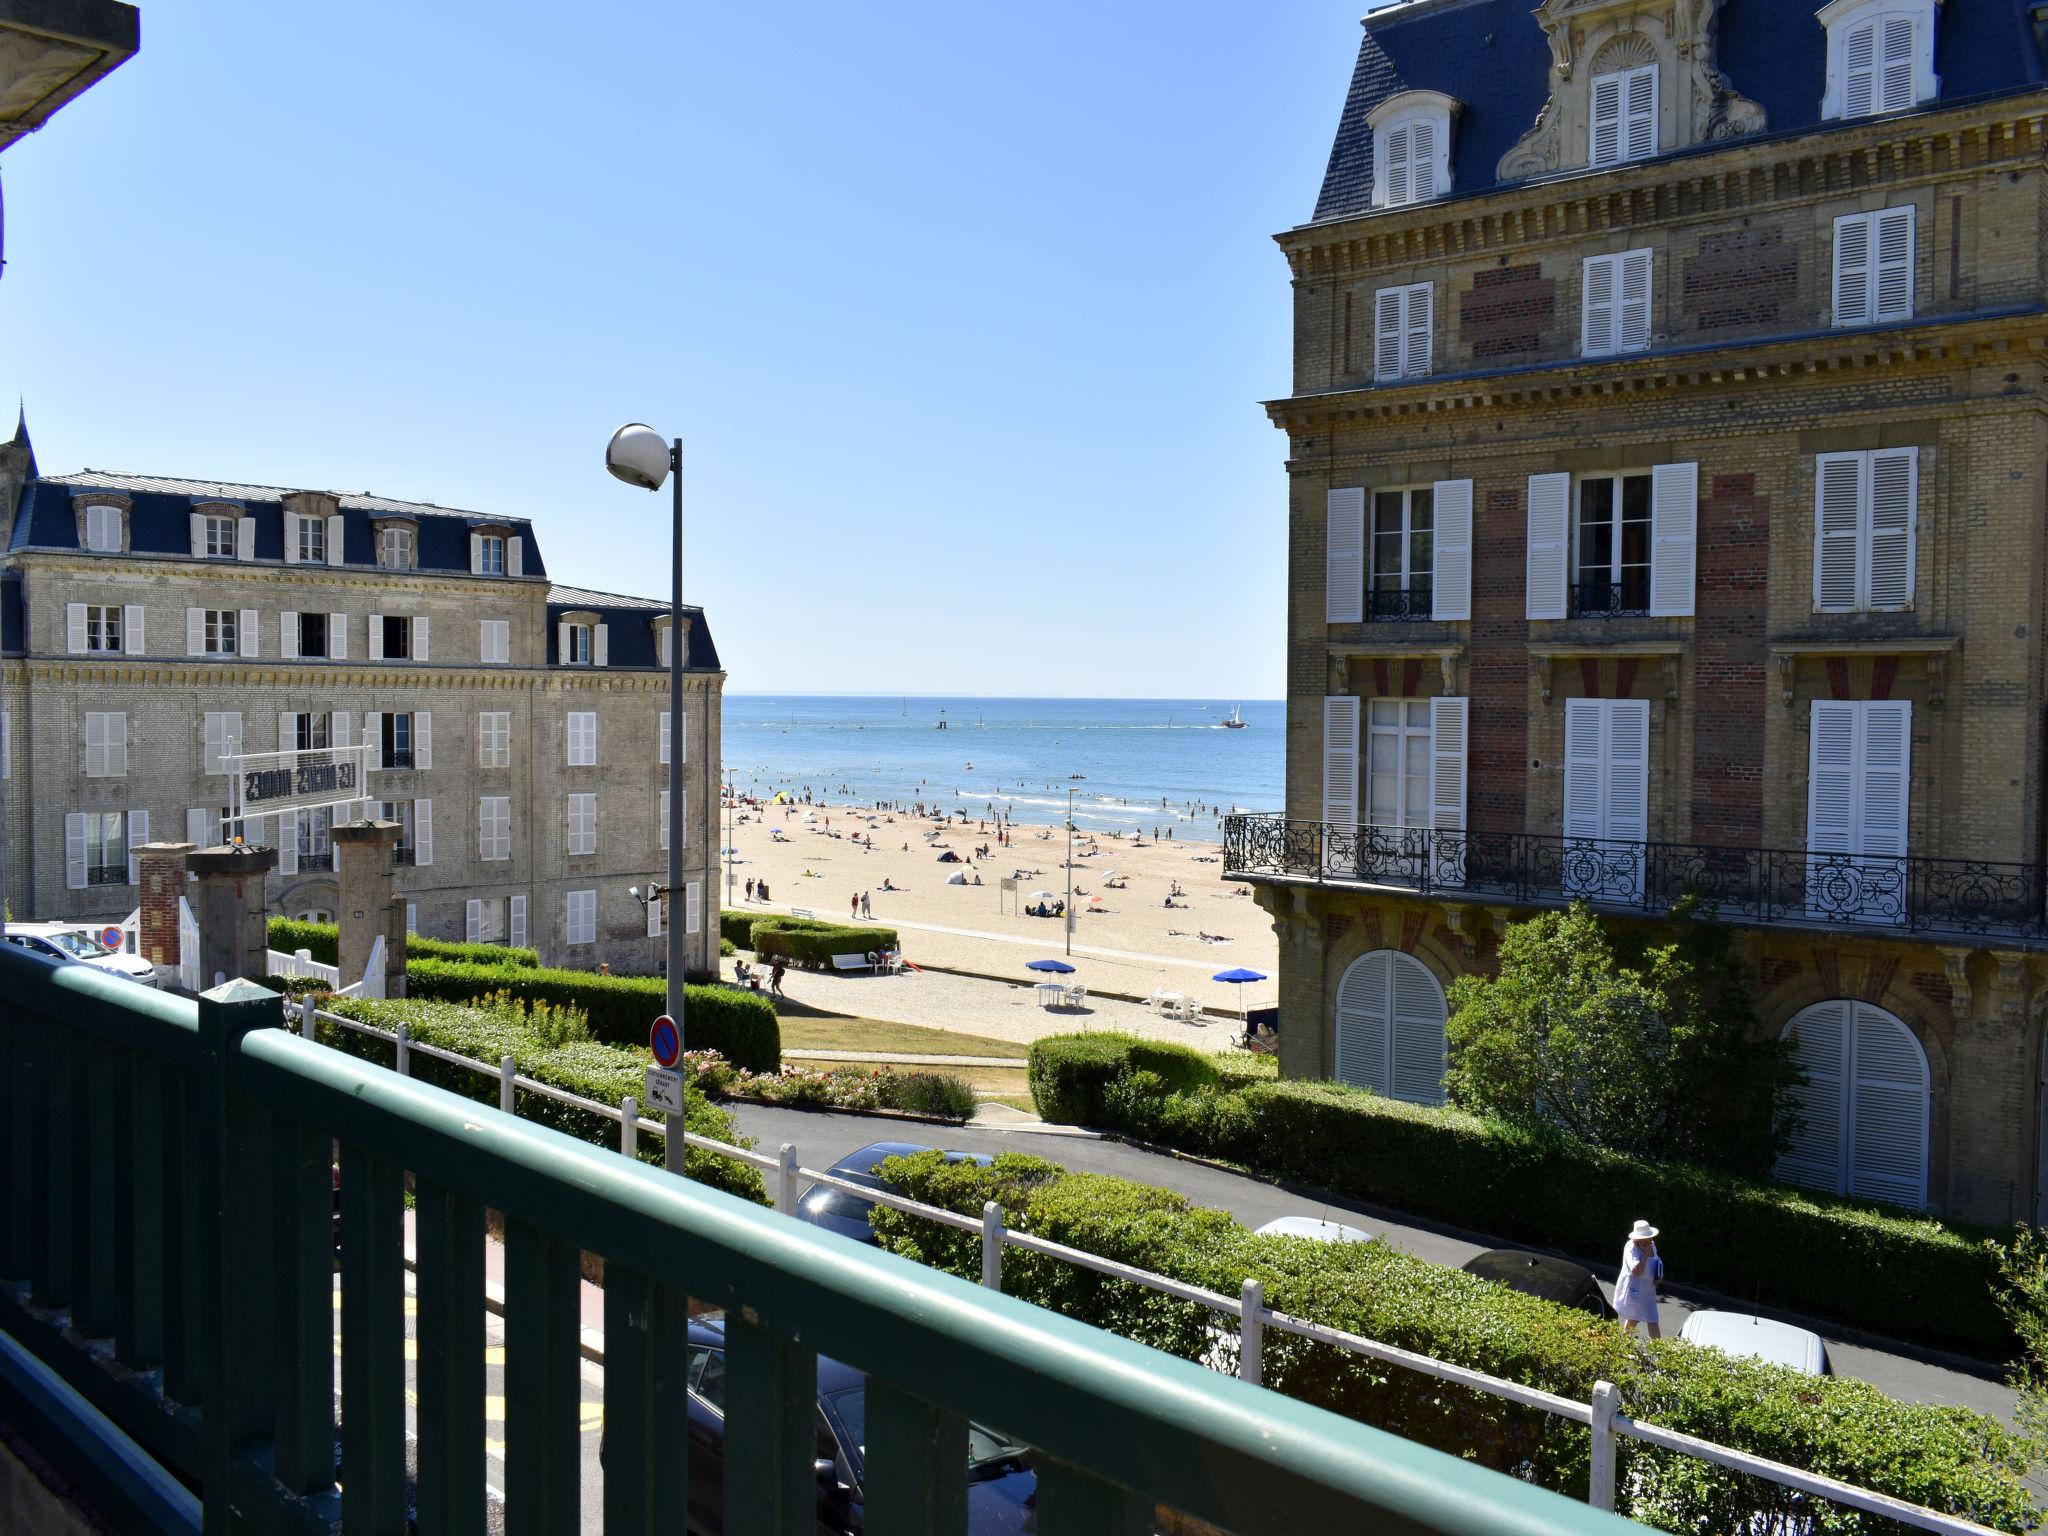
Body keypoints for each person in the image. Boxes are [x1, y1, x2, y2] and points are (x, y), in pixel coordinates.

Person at [1615, 1220, 1664, 1339]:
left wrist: (1658, 1275)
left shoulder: (1651, 1245)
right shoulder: (1630, 1247)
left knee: (1652, 1320)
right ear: (1639, 1239)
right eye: (1647, 1238)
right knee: (1634, 1318)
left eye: (1650, 1237)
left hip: (1648, 1291)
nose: (1651, 1240)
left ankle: (1659, 1354)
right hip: (1635, 1290)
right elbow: (1636, 1271)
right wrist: (1645, 1255)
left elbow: (1655, 1262)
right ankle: (1623, 1344)